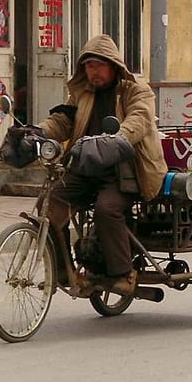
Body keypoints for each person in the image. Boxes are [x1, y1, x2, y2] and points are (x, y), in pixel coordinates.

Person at [36, 34, 167, 296]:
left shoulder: (136, 91)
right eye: (89, 66)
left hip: (126, 172)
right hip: (86, 168)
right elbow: (63, 121)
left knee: (107, 210)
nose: (93, 71)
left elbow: (139, 120)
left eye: (99, 65)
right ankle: (62, 269)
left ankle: (123, 273)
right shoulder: (82, 94)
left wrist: (117, 139)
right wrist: (37, 132)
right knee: (49, 203)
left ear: (113, 65)